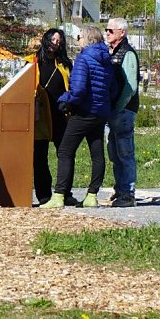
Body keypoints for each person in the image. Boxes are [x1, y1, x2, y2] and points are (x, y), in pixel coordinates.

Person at [40, 24, 117, 209]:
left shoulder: (84, 58)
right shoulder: (106, 59)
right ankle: (92, 195)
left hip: (83, 112)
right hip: (100, 113)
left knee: (65, 151)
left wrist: (65, 99)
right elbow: (113, 88)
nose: (77, 40)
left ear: (88, 38)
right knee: (97, 154)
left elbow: (79, 88)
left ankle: (58, 195)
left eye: (79, 36)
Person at [25, 28, 74, 205]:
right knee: (39, 157)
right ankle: (44, 195)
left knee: (65, 154)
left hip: (62, 115)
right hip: (40, 117)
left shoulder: (65, 64)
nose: (56, 42)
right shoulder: (32, 63)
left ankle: (65, 193)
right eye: (53, 39)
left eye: (59, 40)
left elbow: (73, 87)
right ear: (46, 40)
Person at [105, 18, 140, 208]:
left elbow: (130, 87)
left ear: (122, 33)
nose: (107, 33)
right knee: (115, 153)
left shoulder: (128, 54)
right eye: (106, 30)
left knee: (125, 153)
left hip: (124, 111)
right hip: (114, 111)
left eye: (110, 30)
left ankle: (128, 194)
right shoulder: (114, 52)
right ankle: (120, 190)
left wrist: (117, 107)